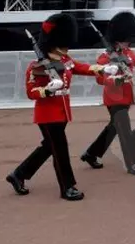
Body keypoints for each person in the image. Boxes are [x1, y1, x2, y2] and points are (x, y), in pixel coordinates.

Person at [6, 13, 115, 200]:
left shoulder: (64, 60)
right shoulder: (37, 66)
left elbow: (80, 67)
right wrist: (47, 90)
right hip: (47, 115)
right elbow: (31, 92)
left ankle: (18, 174)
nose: (66, 48)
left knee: (49, 147)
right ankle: (67, 187)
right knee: (60, 150)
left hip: (62, 112)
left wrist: (102, 69)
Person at [81, 12, 135, 174]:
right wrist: (116, 79)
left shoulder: (127, 53)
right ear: (117, 40)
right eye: (125, 41)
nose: (128, 43)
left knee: (113, 128)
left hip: (126, 97)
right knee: (125, 131)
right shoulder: (105, 57)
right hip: (114, 99)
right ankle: (133, 163)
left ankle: (91, 153)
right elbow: (100, 79)